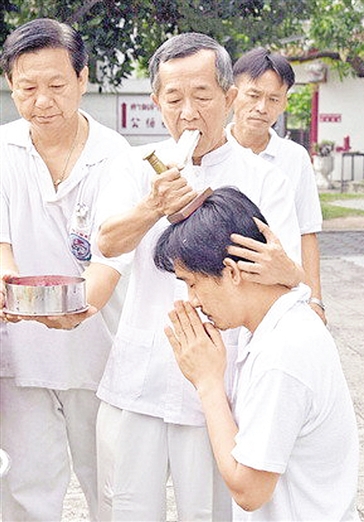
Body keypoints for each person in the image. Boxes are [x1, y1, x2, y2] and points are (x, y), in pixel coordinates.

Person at [95, 32, 303, 521]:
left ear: (229, 98)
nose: (188, 112)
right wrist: (152, 206)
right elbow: (106, 243)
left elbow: (284, 273)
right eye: (174, 98)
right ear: (156, 102)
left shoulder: (264, 179)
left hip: (220, 384)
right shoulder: (133, 166)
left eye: (202, 96)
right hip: (139, 376)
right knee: (124, 506)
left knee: (209, 511)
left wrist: (286, 271)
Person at [154, 186, 360, 521]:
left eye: (192, 283)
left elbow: (249, 490)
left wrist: (208, 383)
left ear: (233, 272)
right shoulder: (283, 320)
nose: (191, 300)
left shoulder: (282, 354)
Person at [0, 18, 131, 521]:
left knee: (113, 489)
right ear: (11, 86)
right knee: (25, 491)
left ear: (83, 78)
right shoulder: (5, 149)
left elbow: (110, 257)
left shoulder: (113, 156)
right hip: (21, 354)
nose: (42, 101)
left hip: (97, 353)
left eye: (56, 85)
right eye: (27, 88)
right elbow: (2, 245)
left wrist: (82, 306)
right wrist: (12, 289)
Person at [226, 48, 326, 323]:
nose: (262, 108)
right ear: (233, 94)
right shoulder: (210, 151)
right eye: (254, 95)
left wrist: (315, 299)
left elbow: (307, 232)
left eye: (273, 99)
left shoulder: (295, 158)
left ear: (284, 103)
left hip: (281, 292)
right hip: (223, 291)